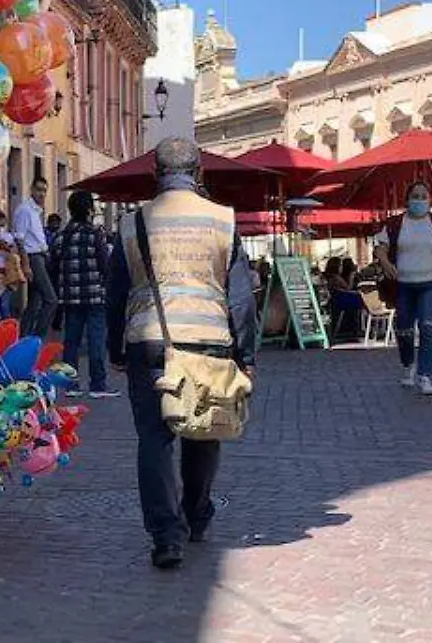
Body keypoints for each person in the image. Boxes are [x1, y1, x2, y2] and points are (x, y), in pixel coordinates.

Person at [107, 137, 257, 570]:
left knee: (154, 440)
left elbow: (116, 293)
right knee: (204, 430)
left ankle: (165, 536)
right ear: (200, 173)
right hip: (209, 341)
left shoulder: (133, 223)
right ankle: (196, 514)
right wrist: (246, 355)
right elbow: (241, 298)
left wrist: (114, 347)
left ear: (156, 173)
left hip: (149, 341)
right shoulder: (223, 220)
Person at [374, 181, 432, 397]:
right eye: (415, 196)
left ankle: (425, 375)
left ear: (430, 200)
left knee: (428, 326)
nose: (419, 200)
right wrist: (387, 264)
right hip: (404, 284)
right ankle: (408, 364)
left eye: (423, 196)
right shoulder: (395, 224)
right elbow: (380, 248)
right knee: (404, 328)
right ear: (407, 200)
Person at [52, 191, 117, 399]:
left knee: (71, 341)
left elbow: (54, 264)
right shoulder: (95, 234)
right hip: (94, 295)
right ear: (89, 210)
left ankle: (70, 384)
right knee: (96, 339)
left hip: (70, 297)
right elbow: (104, 265)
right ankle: (98, 384)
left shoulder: (62, 236)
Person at [13, 177, 57, 336]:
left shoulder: (36, 211)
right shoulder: (25, 210)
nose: (42, 194)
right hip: (33, 258)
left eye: (45, 190)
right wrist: (26, 264)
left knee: (34, 303)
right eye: (39, 189)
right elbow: (19, 238)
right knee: (51, 300)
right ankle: (37, 337)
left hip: (40, 257)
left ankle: (24, 336)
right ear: (31, 189)